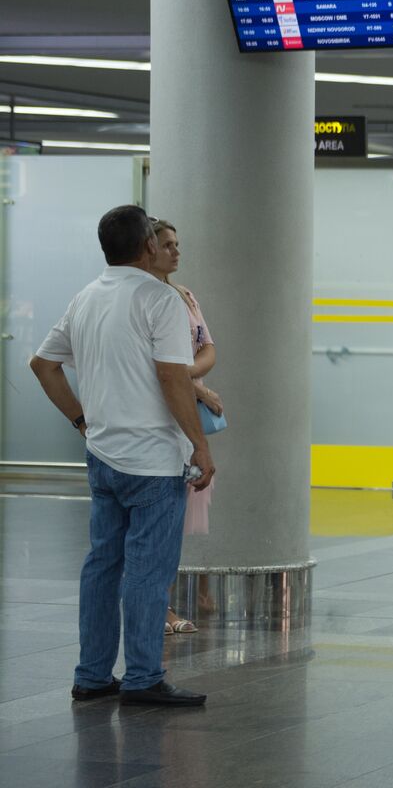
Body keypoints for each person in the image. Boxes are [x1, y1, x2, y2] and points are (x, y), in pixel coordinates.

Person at [29, 205, 214, 707]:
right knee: (148, 572)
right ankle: (142, 678)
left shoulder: (86, 297)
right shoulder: (161, 300)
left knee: (102, 566)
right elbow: (174, 377)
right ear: (148, 247)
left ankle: (91, 677)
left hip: (103, 456)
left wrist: (82, 421)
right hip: (153, 459)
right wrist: (200, 442)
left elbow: (42, 365)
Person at [150, 218, 222, 635]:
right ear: (147, 249)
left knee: (178, 518)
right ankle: (161, 606)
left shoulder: (185, 295)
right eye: (167, 244)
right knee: (159, 520)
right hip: (162, 415)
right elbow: (157, 366)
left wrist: (191, 378)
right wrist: (192, 385)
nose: (176, 251)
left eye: (178, 244)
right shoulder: (150, 299)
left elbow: (209, 346)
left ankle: (169, 600)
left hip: (185, 409)